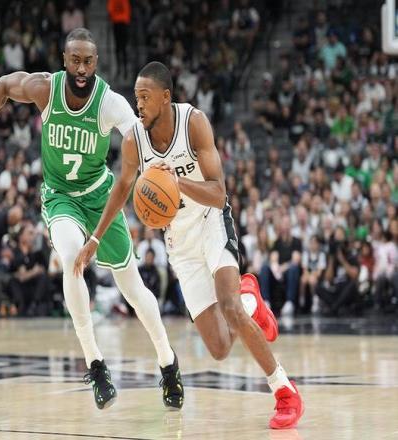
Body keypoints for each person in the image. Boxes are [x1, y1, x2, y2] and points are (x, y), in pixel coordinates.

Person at [74, 61, 304, 429]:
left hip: (211, 220)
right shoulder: (134, 140)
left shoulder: (193, 122)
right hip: (178, 241)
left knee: (229, 307)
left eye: (145, 97)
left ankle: (284, 391)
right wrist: (95, 238)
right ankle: (251, 300)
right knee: (220, 348)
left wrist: (176, 183)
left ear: (165, 97)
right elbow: (122, 189)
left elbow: (219, 193)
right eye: (136, 98)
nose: (138, 105)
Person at [0, 28, 183, 410]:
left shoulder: (109, 103)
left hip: (100, 196)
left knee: (133, 288)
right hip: (60, 196)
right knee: (71, 259)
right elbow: (2, 86)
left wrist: (156, 167)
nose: (81, 68)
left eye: (88, 61)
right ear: (64, 60)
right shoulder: (44, 89)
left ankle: (168, 363)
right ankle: (95, 364)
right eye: (75, 60)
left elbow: (140, 137)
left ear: (95, 63)